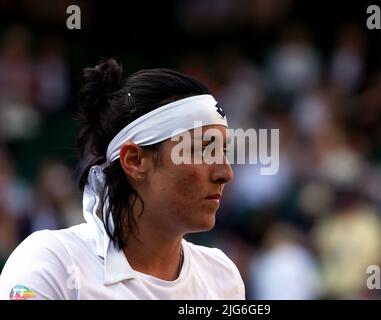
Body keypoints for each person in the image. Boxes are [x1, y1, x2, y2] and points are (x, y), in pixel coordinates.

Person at [0, 59, 245, 300]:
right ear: (135, 160)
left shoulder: (222, 276)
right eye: (202, 150)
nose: (225, 173)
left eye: (223, 151)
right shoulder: (50, 262)